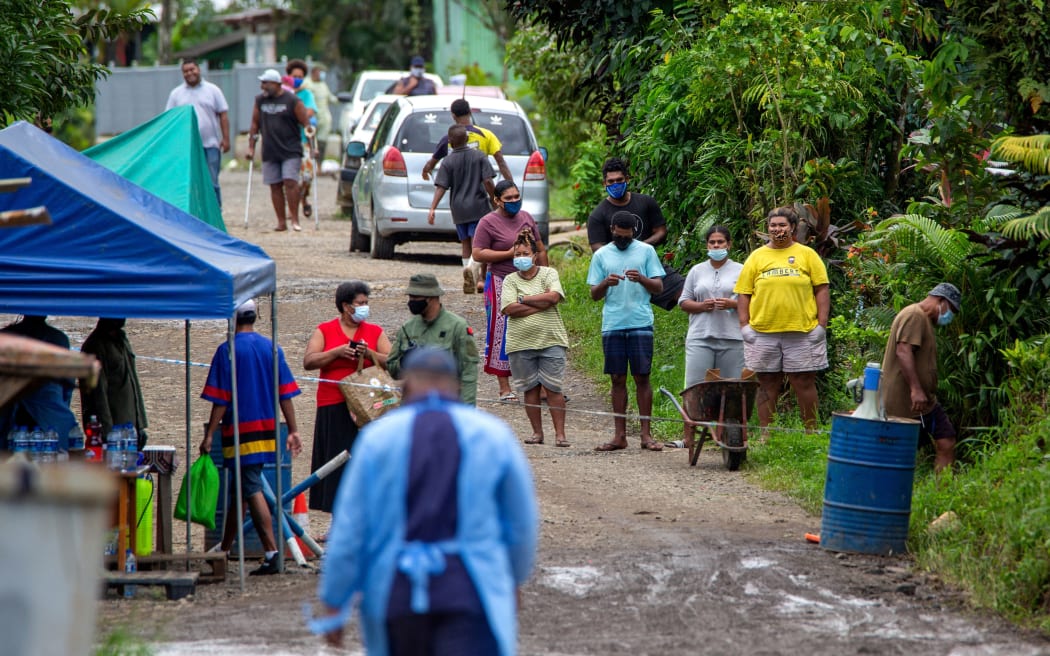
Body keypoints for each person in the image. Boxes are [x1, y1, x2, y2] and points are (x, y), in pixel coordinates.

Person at [313, 346, 538, 655]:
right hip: (472, 589)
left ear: (405, 387)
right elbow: (521, 521)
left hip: (396, 591)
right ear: (456, 385)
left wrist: (334, 601)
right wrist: (513, 577)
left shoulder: (379, 438)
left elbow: (351, 528)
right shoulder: (493, 435)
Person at [199, 300, 303, 575]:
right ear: (255, 316)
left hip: (240, 430)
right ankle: (225, 548)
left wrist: (210, 433)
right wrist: (292, 429)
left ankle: (272, 552)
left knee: (251, 485)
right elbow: (286, 393)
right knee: (240, 489)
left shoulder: (228, 351)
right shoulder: (272, 347)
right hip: (267, 429)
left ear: (233, 318)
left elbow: (220, 399)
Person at [733, 206, 830, 432]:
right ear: (767, 228)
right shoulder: (757, 257)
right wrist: (744, 325)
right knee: (767, 383)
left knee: (804, 382)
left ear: (793, 227)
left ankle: (811, 432)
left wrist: (821, 325)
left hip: (802, 331)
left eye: (782, 225)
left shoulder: (807, 255)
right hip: (763, 331)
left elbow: (822, 290)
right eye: (773, 225)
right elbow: (744, 293)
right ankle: (768, 433)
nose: (777, 229)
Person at [303, 281, 392, 517]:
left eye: (366, 303)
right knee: (336, 462)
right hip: (334, 403)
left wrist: (370, 354)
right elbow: (309, 361)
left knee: (367, 462)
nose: (364, 307)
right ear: (345, 306)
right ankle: (338, 521)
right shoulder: (325, 330)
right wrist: (337, 352)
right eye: (360, 303)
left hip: (369, 405)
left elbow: (393, 362)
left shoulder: (374, 332)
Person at [586, 211, 665, 451]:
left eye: (627, 236)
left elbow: (659, 287)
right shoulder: (601, 255)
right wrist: (604, 283)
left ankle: (645, 435)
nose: (623, 239)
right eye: (619, 235)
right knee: (617, 378)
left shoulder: (646, 251)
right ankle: (619, 435)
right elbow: (594, 294)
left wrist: (641, 278)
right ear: (612, 229)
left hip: (640, 321)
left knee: (642, 377)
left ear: (633, 232)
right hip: (614, 323)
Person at [472, 180, 547, 402]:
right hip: (500, 280)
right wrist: (508, 253)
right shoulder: (488, 222)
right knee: (501, 330)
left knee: (535, 328)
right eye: (509, 198)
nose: (514, 201)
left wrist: (546, 275)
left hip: (530, 279)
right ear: (497, 200)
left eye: (517, 197)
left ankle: (540, 385)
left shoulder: (526, 217)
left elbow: (540, 247)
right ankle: (504, 386)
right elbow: (478, 253)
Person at [880, 283, 962, 473]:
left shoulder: (922, 319)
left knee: (946, 440)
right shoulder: (915, 315)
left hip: (924, 402)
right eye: (950, 310)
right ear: (942, 302)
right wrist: (915, 389)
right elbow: (903, 351)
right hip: (908, 400)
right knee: (898, 450)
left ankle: (941, 491)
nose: (949, 317)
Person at [500, 230, 569, 446]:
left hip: (551, 339)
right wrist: (541, 305)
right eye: (516, 254)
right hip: (520, 343)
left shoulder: (549, 273)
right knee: (529, 389)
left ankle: (560, 434)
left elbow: (554, 296)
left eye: (525, 253)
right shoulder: (510, 280)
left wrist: (526, 299)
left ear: (534, 255)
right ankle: (537, 433)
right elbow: (509, 308)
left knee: (553, 389)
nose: (520, 257)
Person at [387, 273, 479, 405]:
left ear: (431, 298)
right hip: (414, 406)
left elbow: (469, 372)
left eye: (415, 297)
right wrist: (403, 362)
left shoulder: (457, 327)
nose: (411, 302)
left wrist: (466, 409)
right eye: (410, 297)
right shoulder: (408, 328)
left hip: (447, 404)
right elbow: (392, 369)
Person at [427, 125, 496, 295]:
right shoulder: (479, 156)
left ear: (450, 142)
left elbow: (441, 187)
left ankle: (467, 272)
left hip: (458, 209)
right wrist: (495, 200)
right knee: (481, 243)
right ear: (467, 139)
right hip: (478, 206)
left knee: (466, 243)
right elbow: (488, 182)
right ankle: (479, 278)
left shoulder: (448, 161)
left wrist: (432, 208)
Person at [678, 225, 745, 387]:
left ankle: (728, 414)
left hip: (732, 338)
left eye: (720, 242)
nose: (716, 246)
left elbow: (751, 303)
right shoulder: (697, 271)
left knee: (731, 388)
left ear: (728, 244)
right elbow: (684, 301)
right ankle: (694, 414)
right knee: (696, 387)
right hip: (700, 337)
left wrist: (732, 304)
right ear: (707, 245)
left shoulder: (741, 270)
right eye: (712, 242)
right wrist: (701, 306)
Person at [247, 68, 311, 232]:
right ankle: (281, 222)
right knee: (274, 185)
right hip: (270, 149)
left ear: (276, 84)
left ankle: (295, 220)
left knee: (290, 182)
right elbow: (255, 124)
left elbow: (306, 124)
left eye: (265, 83)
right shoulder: (260, 101)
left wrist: (312, 144)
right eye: (262, 83)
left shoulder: (292, 100)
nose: (263, 86)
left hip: (290, 149)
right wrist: (251, 147)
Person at [0, 316, 78, 447]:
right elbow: (67, 385)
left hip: (10, 414)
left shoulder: (6, 336)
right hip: (49, 413)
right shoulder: (58, 339)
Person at [165, 59, 230, 208]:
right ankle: (195, 214)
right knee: (190, 181)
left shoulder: (213, 90)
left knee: (211, 181)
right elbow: (170, 119)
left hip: (210, 144)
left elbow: (223, 115)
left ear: (198, 70)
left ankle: (215, 213)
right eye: (186, 71)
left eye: (192, 69)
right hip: (186, 147)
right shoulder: (176, 94)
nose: (189, 73)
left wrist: (226, 139)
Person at [79, 318, 149, 449]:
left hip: (129, 429)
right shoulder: (95, 346)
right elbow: (97, 394)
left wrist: (140, 425)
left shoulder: (122, 339)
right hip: (112, 434)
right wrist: (107, 433)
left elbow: (133, 382)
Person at [420, 98, 513, 183]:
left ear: (453, 116)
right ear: (470, 112)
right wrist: (511, 185)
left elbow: (431, 164)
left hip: (458, 192)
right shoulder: (487, 135)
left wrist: (425, 171)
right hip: (482, 191)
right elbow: (501, 162)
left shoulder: (448, 139)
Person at [586, 158, 667, 252]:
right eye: (611, 181)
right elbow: (596, 247)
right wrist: (623, 253)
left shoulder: (646, 202)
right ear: (604, 184)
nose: (615, 184)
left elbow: (661, 231)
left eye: (619, 180)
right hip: (616, 265)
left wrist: (640, 247)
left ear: (627, 179)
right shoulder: (597, 215)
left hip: (647, 260)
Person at [286, 60, 319, 219]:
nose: (297, 79)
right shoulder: (284, 93)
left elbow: (310, 112)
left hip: (304, 140)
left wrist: (297, 115)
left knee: (307, 175)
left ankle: (303, 198)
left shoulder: (307, 94)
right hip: (287, 140)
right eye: (295, 76)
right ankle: (293, 207)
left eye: (300, 76)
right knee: (290, 176)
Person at [302, 63, 334, 161]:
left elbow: (331, 98)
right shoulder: (307, 84)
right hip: (311, 118)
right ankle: (311, 163)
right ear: (314, 72)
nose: (321, 75)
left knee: (321, 143)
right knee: (310, 142)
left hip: (323, 119)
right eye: (320, 72)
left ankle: (319, 164)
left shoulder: (323, 85)